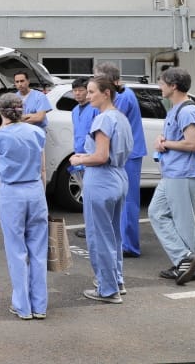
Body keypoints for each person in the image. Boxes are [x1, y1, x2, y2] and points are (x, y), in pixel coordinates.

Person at [69, 76, 133, 303]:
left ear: (106, 93)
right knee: (113, 234)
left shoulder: (103, 120)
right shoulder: (121, 118)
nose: (88, 96)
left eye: (92, 91)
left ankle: (108, 289)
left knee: (99, 236)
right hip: (119, 177)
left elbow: (101, 156)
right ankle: (117, 281)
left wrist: (79, 159)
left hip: (102, 180)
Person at [0, 93, 48, 320]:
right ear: (21, 110)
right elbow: (43, 169)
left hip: (12, 191)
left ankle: (22, 305)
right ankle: (40, 305)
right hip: (35, 190)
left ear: (2, 112)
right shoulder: (38, 132)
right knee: (38, 250)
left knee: (16, 249)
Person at [149, 67, 195, 285]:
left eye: (162, 83)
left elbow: (193, 143)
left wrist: (165, 144)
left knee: (184, 223)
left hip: (184, 174)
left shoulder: (187, 111)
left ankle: (188, 263)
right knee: (156, 213)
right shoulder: (175, 109)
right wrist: (165, 140)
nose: (159, 87)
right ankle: (185, 259)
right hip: (174, 173)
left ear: (173, 86)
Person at [94, 62, 147, 258]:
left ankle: (129, 245)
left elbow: (112, 122)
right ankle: (123, 240)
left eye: (97, 78)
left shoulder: (122, 97)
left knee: (129, 200)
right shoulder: (124, 94)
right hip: (127, 154)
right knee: (122, 199)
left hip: (128, 155)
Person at [71, 77, 99, 239]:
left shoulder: (94, 109)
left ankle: (94, 228)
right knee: (85, 194)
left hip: (92, 157)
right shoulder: (75, 110)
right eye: (75, 91)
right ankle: (89, 227)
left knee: (92, 195)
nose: (78, 93)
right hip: (79, 157)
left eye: (81, 90)